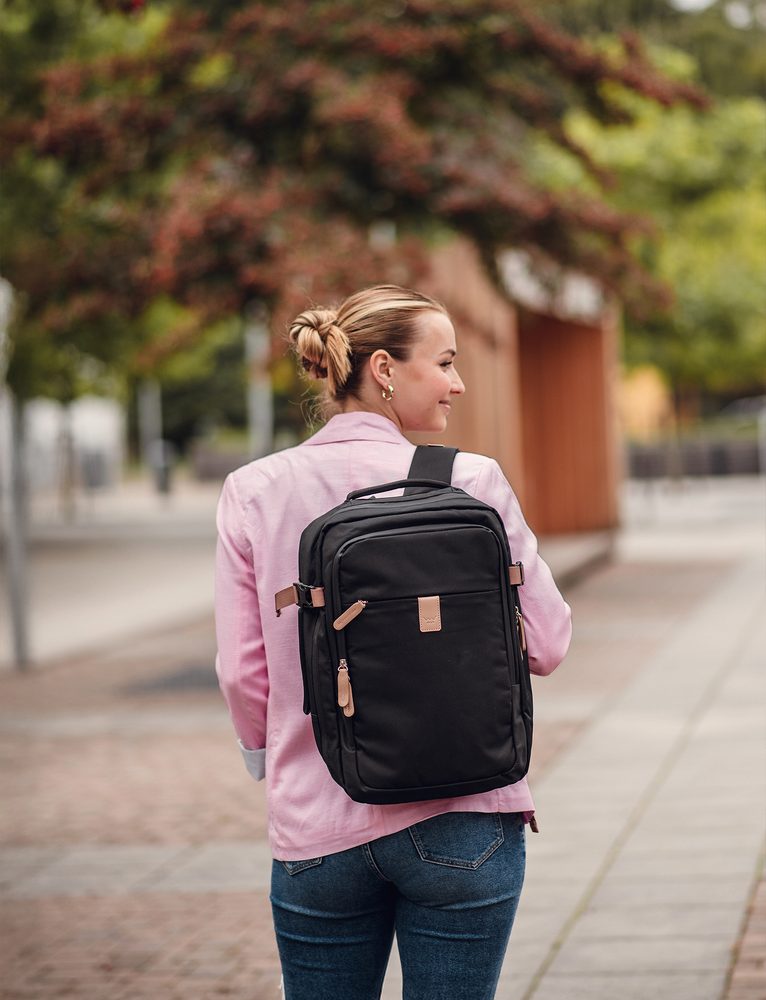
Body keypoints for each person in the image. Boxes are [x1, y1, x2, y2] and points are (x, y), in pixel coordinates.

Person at [214, 284, 572, 1000]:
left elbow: (244, 673)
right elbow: (549, 642)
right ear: (383, 369)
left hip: (317, 826)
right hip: (465, 817)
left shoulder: (254, 489)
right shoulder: (472, 482)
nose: (458, 383)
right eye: (444, 362)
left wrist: (272, 759)